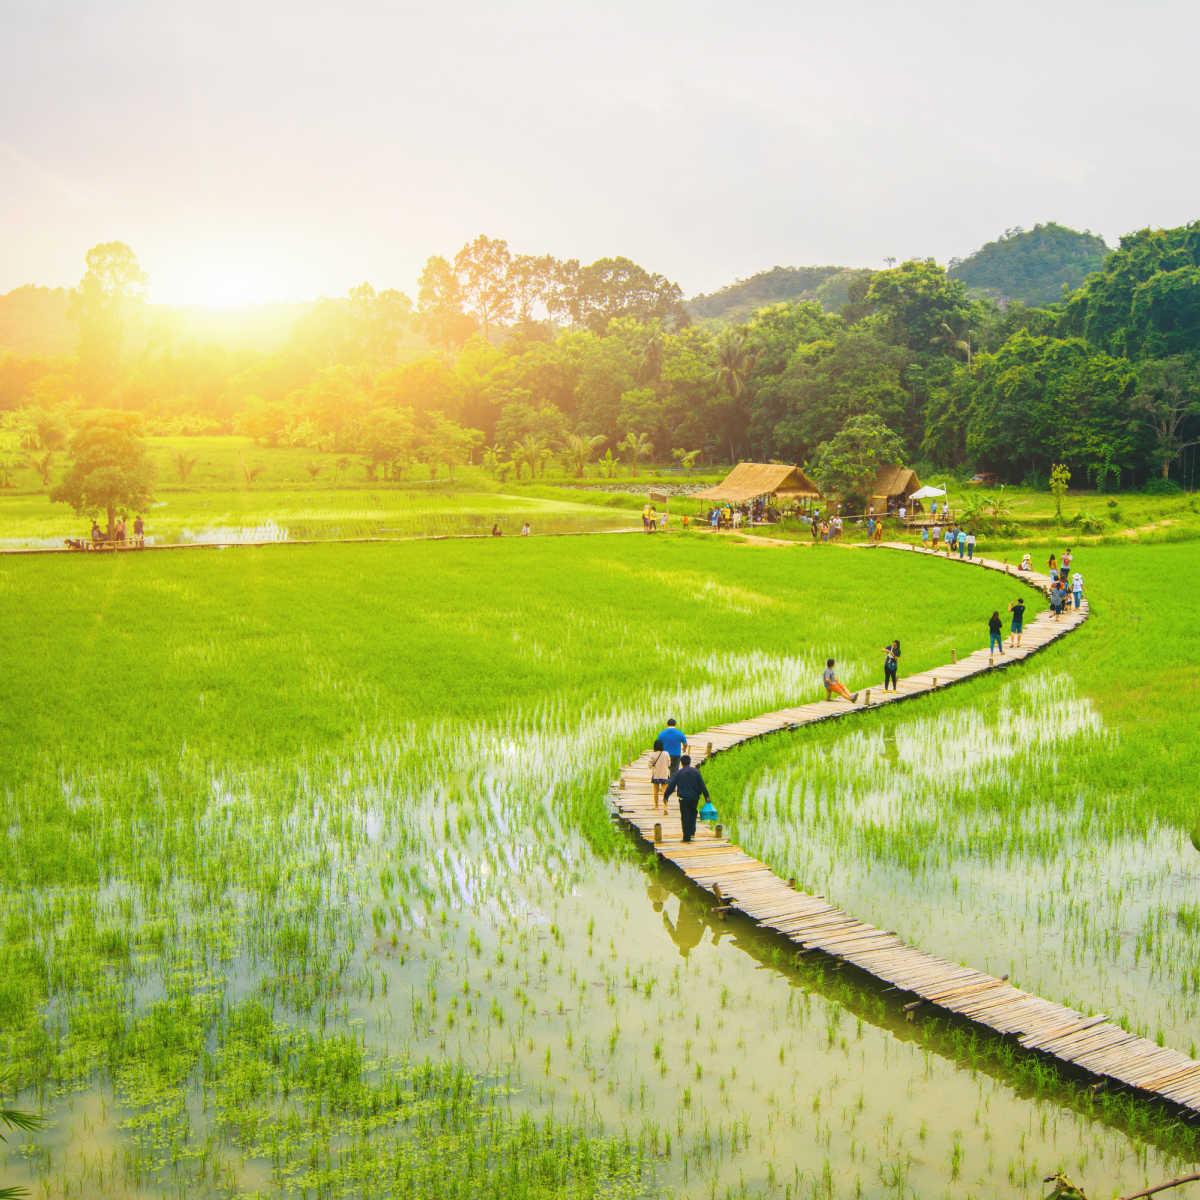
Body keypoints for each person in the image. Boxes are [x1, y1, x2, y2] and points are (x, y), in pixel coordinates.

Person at [662, 754, 710, 843]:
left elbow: (671, 786)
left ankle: (686, 837)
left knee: (685, 816)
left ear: (681, 763)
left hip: (683, 799)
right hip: (694, 798)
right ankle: (692, 832)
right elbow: (702, 785)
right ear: (690, 762)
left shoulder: (679, 773)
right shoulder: (696, 772)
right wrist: (706, 796)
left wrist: (666, 796)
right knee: (693, 814)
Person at [648, 738, 673, 809]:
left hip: (656, 775)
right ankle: (665, 807)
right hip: (664, 774)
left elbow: (649, 766)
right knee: (664, 791)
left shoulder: (653, 754)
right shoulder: (666, 753)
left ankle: (656, 806)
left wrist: (653, 765)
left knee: (656, 792)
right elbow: (669, 764)